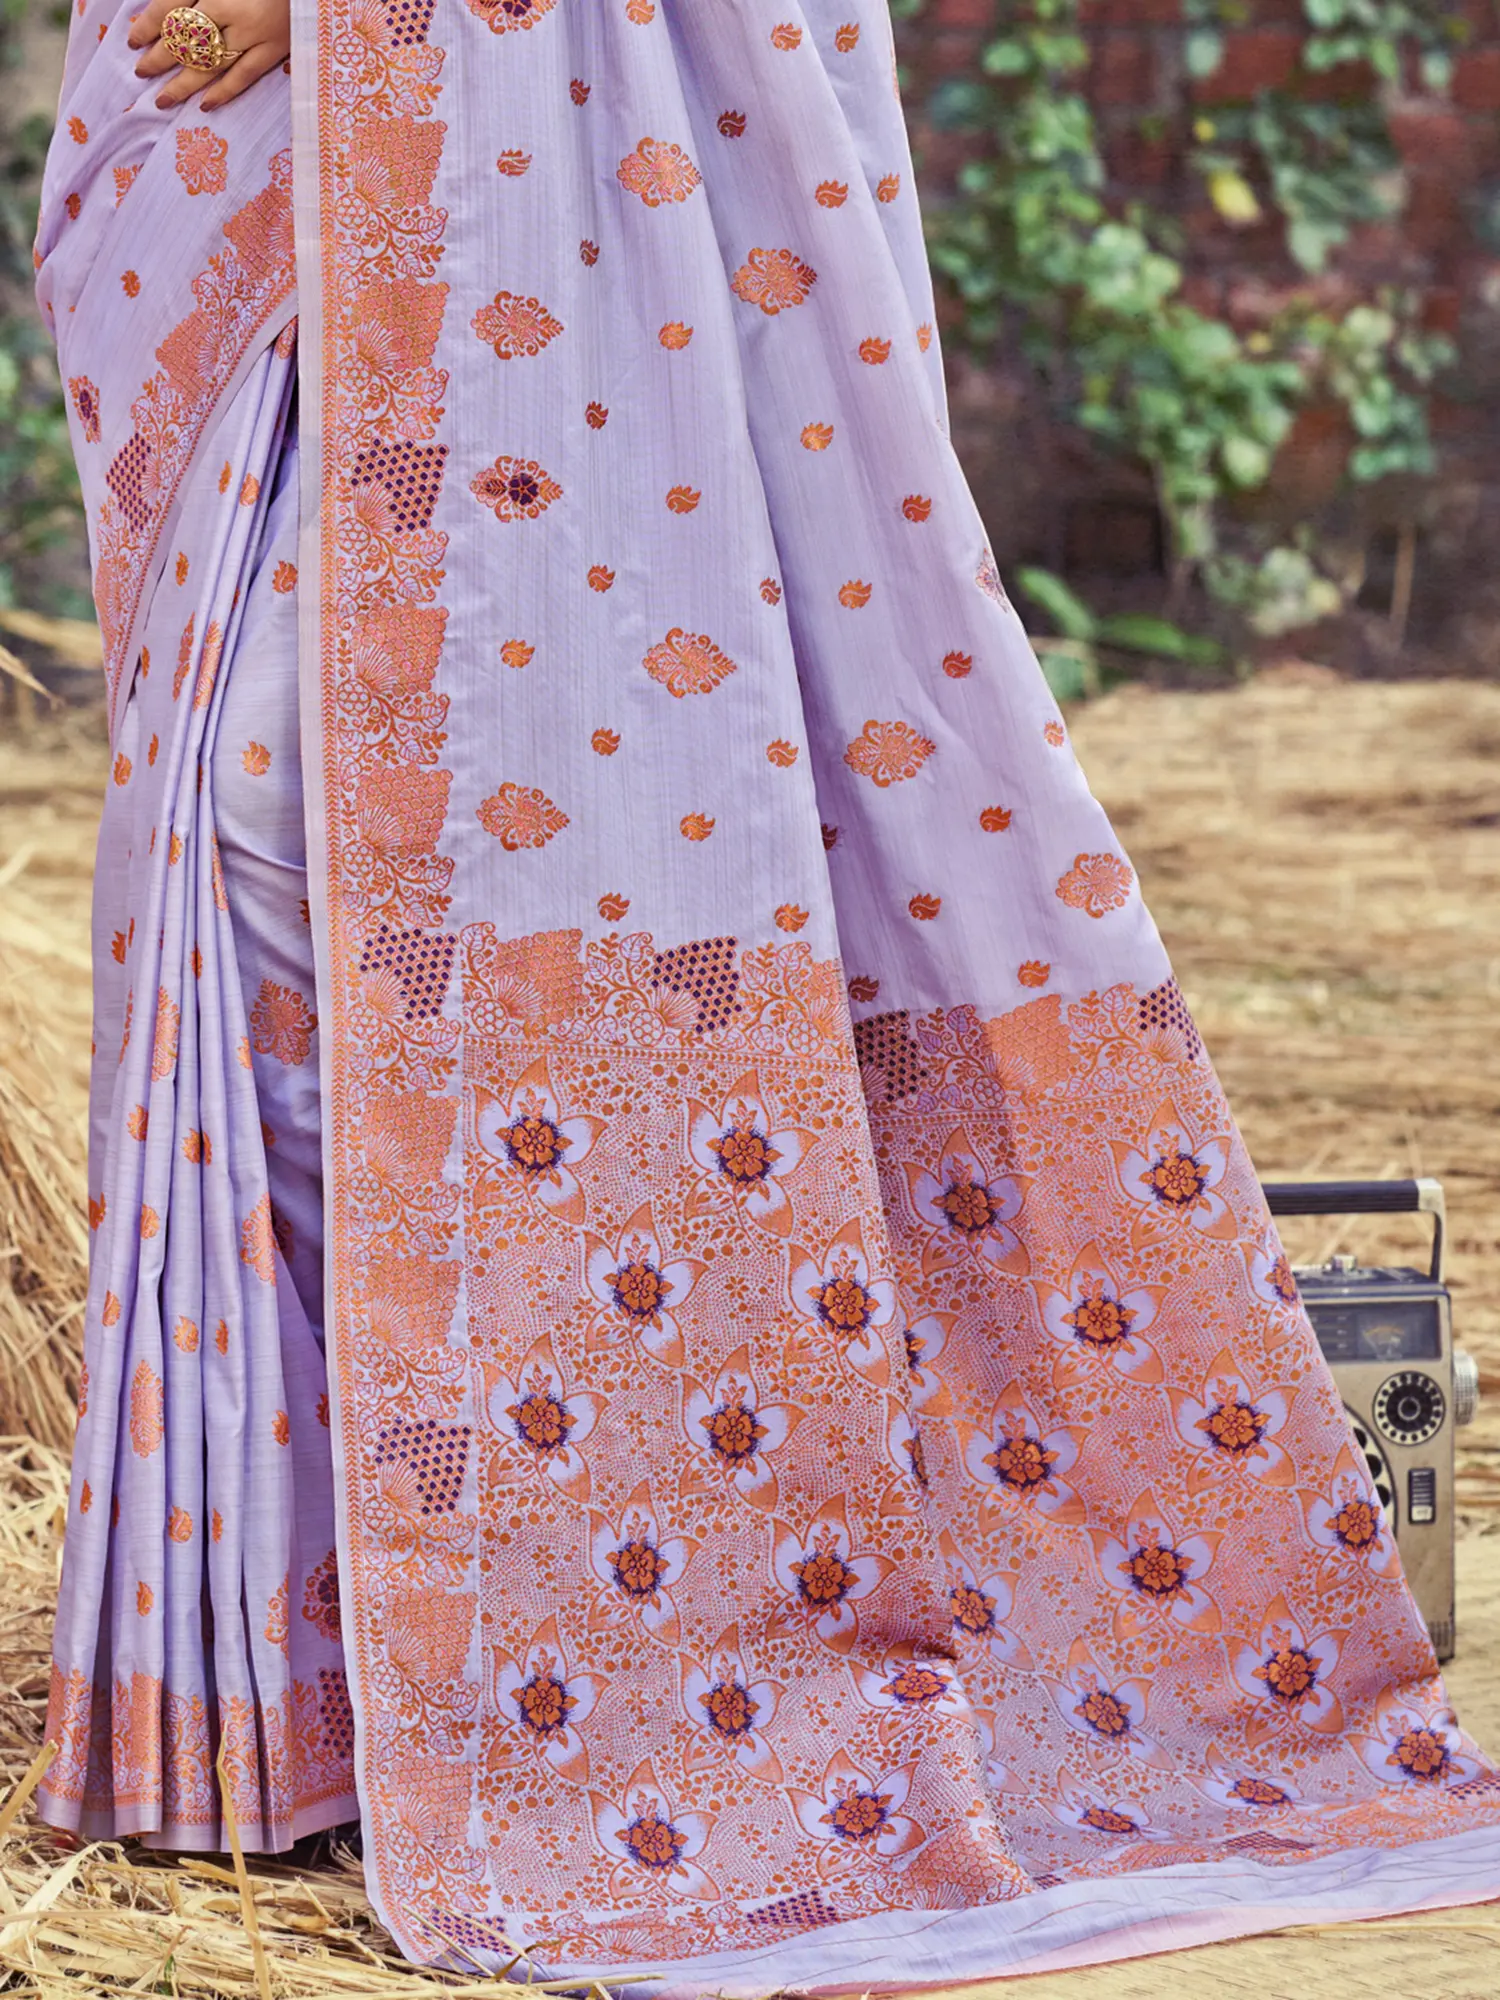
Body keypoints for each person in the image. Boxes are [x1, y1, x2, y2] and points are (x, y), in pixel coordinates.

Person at [33, 0, 1500, 1986]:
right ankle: (333, 1675)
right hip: (296, 208)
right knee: (239, 843)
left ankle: (586, 1671)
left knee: (356, 822)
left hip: (558, 176)